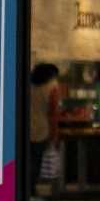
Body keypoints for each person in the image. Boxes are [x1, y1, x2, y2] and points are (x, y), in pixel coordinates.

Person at [28, 62, 62, 191]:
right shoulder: (52, 86)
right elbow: (53, 113)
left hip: (26, 128)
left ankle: (25, 191)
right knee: (36, 162)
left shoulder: (29, 83)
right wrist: (55, 134)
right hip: (42, 129)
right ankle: (32, 191)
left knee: (26, 162)